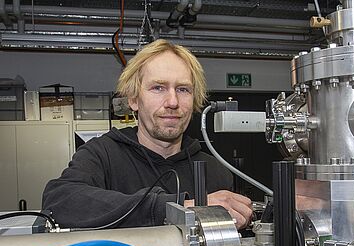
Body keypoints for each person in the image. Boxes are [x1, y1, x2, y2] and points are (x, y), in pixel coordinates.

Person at [42, 39, 253, 229]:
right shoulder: (102, 155)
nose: (172, 102)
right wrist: (179, 207)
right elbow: (59, 201)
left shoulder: (215, 170)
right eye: (158, 88)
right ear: (133, 99)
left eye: (183, 89)